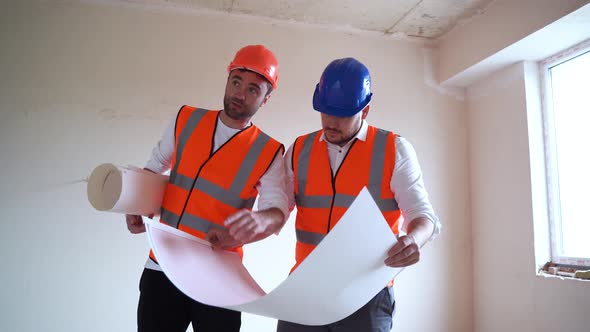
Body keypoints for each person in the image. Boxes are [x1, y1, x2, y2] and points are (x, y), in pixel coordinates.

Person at [125, 44, 289, 332]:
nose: (240, 93)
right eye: (236, 82)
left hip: (219, 274)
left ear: (266, 99)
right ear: (227, 80)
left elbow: (276, 210)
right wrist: (137, 204)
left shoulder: (270, 151)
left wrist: (255, 225)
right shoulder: (187, 119)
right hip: (164, 265)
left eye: (253, 89)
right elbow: (154, 166)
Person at [276, 58, 441, 332]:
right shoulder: (299, 149)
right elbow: (278, 206)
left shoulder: (394, 149)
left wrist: (414, 239)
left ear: (365, 111)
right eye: (326, 111)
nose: (331, 122)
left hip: (366, 296)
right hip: (304, 289)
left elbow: (424, 216)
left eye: (343, 114)